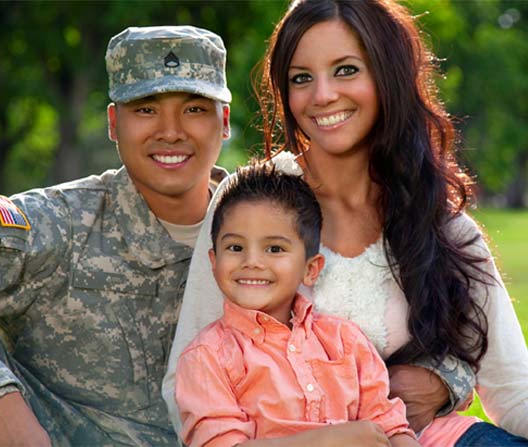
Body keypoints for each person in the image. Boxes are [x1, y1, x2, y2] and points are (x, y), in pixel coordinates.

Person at [164, 1, 528, 446]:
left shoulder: (437, 219)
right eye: (302, 78)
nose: (322, 96)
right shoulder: (253, 205)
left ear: (386, 75)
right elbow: (187, 379)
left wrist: (445, 380)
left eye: (346, 70)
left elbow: (514, 391)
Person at [0, 25, 231, 446]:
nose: (171, 131)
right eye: (146, 109)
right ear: (113, 123)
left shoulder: (268, 227)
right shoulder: (63, 225)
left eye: (195, 109)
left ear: (225, 121)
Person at [175, 164, 419, 447]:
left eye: (274, 249)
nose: (252, 261)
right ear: (214, 263)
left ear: (311, 269)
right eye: (235, 248)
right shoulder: (208, 357)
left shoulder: (345, 342)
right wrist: (328, 440)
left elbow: (390, 425)